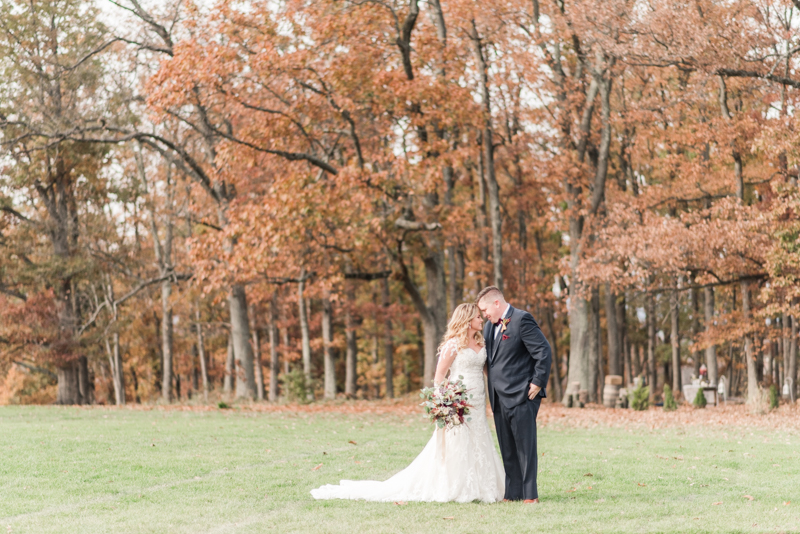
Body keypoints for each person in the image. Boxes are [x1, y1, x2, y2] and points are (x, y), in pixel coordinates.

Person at [310, 303, 505, 502]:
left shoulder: (481, 343)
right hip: (458, 400)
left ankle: (483, 486)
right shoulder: (453, 344)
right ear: (467, 319)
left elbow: (486, 371)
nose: (481, 320)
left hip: (479, 400)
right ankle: (457, 486)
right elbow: (439, 377)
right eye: (478, 317)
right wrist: (445, 403)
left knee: (479, 438)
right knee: (458, 442)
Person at [476, 286, 552, 503]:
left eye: (485, 309)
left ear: (496, 303)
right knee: (507, 447)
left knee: (525, 447)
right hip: (498, 397)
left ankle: (530, 495)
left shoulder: (522, 320)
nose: (484, 315)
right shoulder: (490, 328)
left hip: (522, 395)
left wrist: (537, 382)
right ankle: (513, 493)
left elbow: (543, 351)